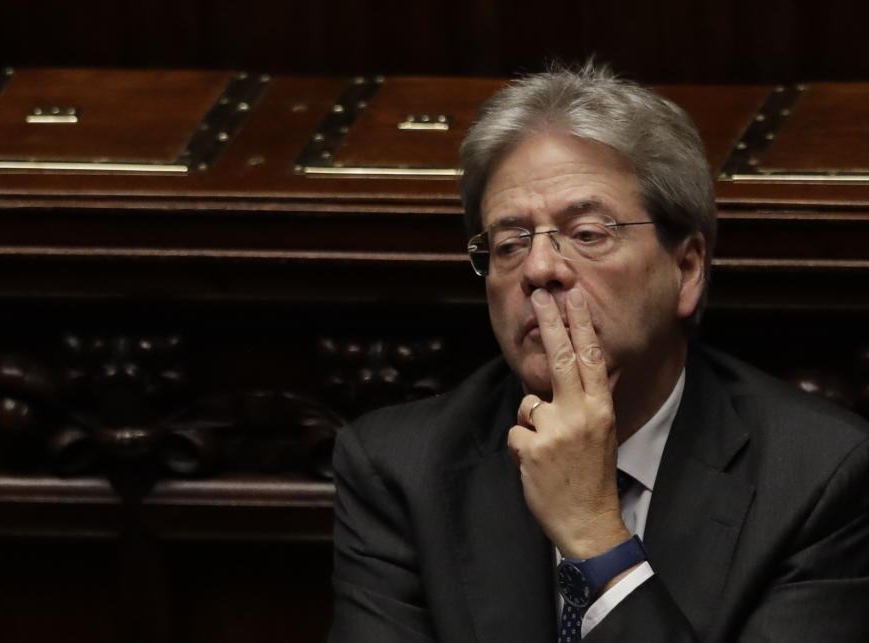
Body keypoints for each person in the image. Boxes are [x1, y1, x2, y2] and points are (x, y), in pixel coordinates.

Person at [328, 63, 869, 642]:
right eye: (510, 243)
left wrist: (595, 539)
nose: (538, 269)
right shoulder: (399, 466)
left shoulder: (818, 475)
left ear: (686, 270)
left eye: (587, 234)